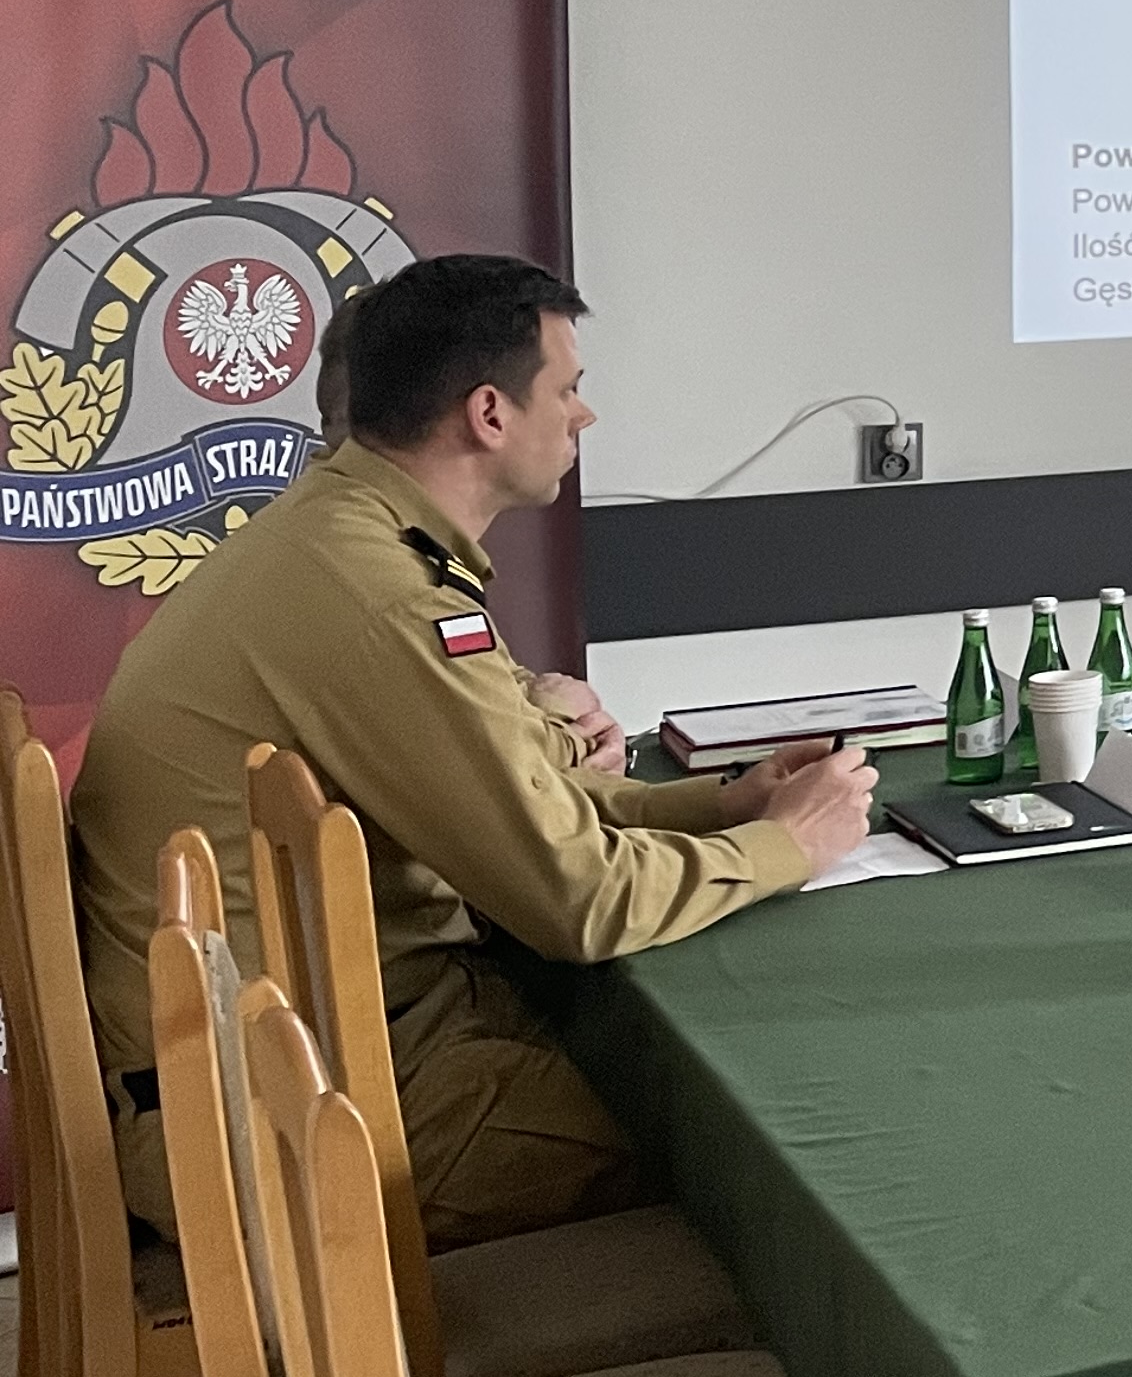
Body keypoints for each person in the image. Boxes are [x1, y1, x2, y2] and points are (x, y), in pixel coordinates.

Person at [74, 254, 875, 1245]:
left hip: (303, 1055)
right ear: (490, 414)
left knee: (700, 1080)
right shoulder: (383, 596)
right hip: (287, 1110)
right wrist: (791, 845)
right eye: (568, 390)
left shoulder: (347, 537)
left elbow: (518, 788)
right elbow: (580, 903)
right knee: (771, 1141)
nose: (584, 416)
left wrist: (722, 805)